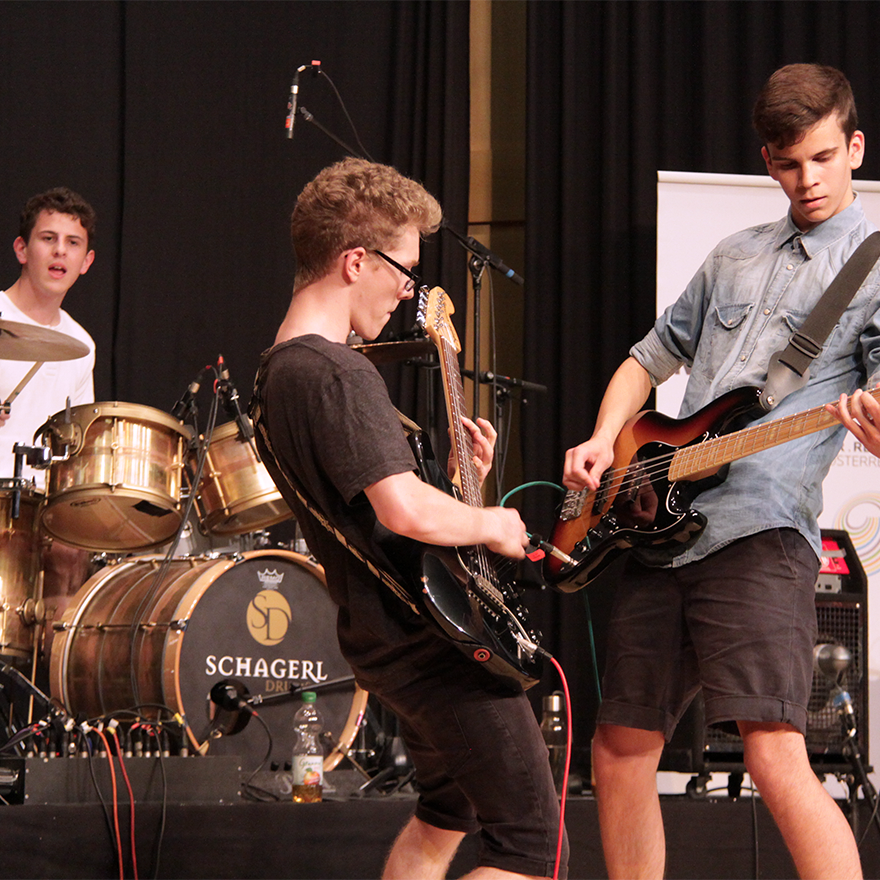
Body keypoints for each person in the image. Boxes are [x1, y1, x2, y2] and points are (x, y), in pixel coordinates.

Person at [563, 63, 873, 879]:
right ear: (766, 160)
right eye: (786, 162)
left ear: (855, 148)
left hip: (762, 536)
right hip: (661, 531)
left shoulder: (873, 268)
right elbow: (645, 360)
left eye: (821, 157)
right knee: (619, 752)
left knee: (775, 754)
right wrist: (604, 439)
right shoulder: (733, 254)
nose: (805, 180)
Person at [250, 157, 568, 880]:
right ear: (355, 260)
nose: (408, 288)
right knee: (533, 849)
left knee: (445, 815)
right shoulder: (337, 373)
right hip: (435, 647)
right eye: (403, 267)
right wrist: (492, 524)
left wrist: (462, 488)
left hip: (383, 640)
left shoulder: (278, 372)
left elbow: (374, 517)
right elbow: (398, 507)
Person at [0, 187, 97, 673]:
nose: (60, 251)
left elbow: (75, 442)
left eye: (72, 243)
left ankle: (45, 697)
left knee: (73, 545)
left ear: (87, 261)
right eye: (47, 238)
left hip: (35, 504)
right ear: (22, 249)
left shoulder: (81, 344)